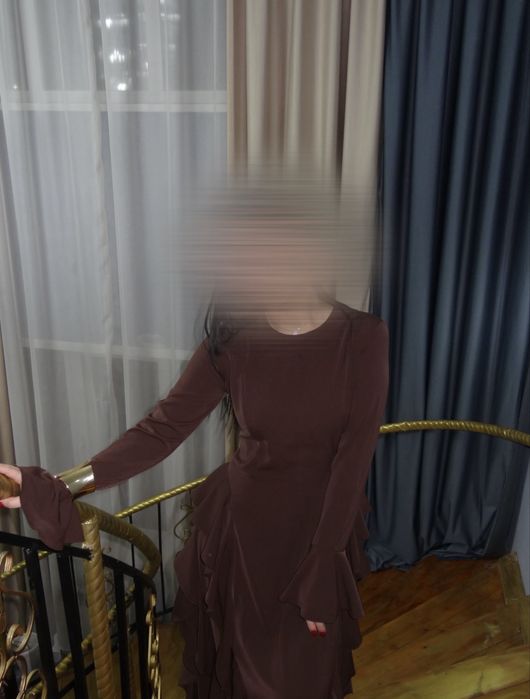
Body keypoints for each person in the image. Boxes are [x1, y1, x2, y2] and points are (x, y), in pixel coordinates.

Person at [0, 175, 390, 698]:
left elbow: (353, 457)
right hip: (246, 540)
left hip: (319, 535)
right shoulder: (231, 341)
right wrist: (59, 486)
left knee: (308, 678)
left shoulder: (364, 338)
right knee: (251, 681)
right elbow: (160, 430)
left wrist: (323, 560)